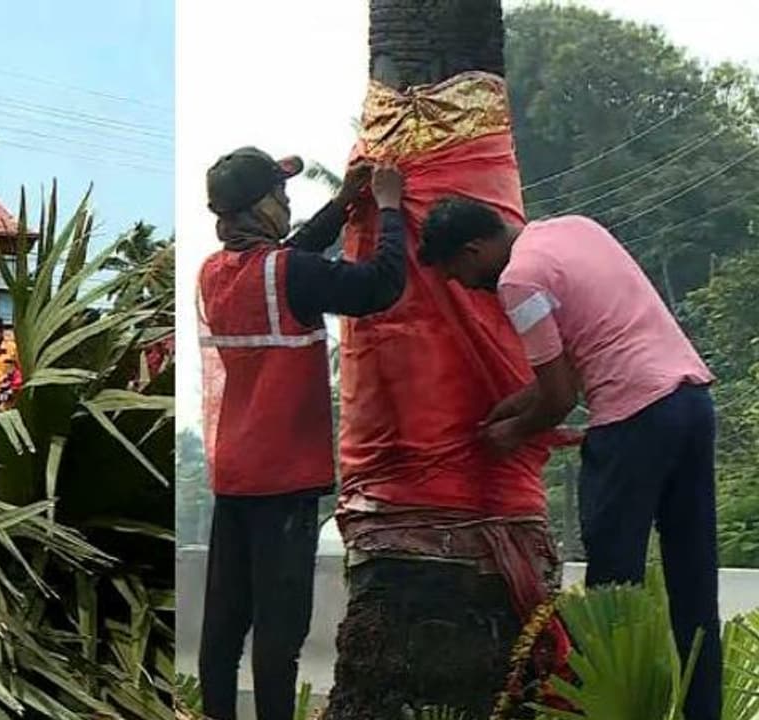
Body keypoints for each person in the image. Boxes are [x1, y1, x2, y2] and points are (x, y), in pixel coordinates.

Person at [418, 198, 719, 720]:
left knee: (611, 596)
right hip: (690, 403)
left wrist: (510, 434)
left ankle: (609, 711)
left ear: (473, 250)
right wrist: (510, 409)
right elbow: (567, 372)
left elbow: (558, 397)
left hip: (634, 420)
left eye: (461, 275)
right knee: (693, 583)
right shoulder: (575, 229)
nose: (468, 287)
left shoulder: (519, 281)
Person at [195, 147, 406, 720]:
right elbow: (382, 285)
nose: (288, 202)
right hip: (284, 480)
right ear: (259, 207)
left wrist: (341, 206)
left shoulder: (215, 275)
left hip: (234, 475)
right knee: (279, 634)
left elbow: (291, 260)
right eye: (280, 194)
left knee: (223, 628)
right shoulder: (290, 274)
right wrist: (389, 210)